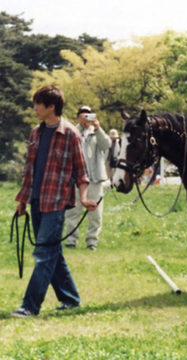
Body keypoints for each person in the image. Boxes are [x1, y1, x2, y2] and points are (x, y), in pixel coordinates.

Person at [11, 85, 97, 317]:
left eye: (39, 104)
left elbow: (81, 171)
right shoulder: (35, 133)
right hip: (36, 201)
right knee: (52, 252)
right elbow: (29, 171)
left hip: (57, 202)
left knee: (44, 254)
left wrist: (84, 198)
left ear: (51, 107)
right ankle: (70, 298)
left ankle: (30, 306)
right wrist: (23, 201)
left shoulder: (70, 133)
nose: (35, 108)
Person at [64, 106, 111, 250]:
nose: (87, 119)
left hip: (95, 178)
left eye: (90, 116)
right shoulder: (72, 132)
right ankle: (71, 240)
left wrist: (98, 128)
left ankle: (92, 241)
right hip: (75, 179)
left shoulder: (97, 133)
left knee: (95, 213)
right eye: (84, 116)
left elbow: (106, 145)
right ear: (78, 117)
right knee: (72, 211)